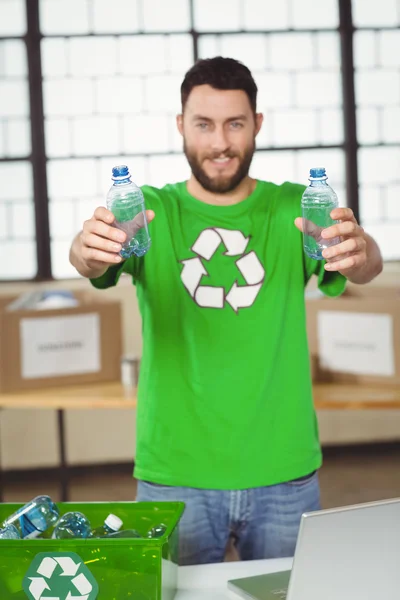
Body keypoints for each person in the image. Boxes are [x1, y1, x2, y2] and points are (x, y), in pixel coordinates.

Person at [69, 57, 383, 565]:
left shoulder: (296, 209)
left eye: (235, 123)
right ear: (181, 126)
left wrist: (364, 250)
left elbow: (361, 266)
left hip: (284, 470)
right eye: (204, 124)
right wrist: (86, 250)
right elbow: (89, 259)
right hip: (176, 474)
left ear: (257, 124)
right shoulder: (148, 211)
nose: (220, 143)